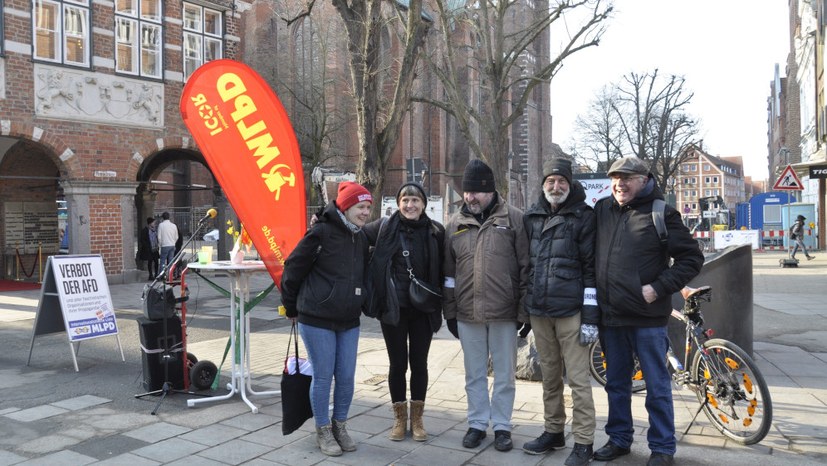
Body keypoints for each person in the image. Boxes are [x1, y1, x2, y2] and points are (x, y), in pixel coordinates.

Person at [592, 156, 704, 466]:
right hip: (611, 317)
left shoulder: (662, 213)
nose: (620, 183)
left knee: (656, 385)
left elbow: (692, 260)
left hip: (647, 319)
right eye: (615, 177)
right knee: (616, 383)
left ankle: (662, 447)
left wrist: (658, 288)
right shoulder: (603, 209)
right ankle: (619, 438)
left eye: (627, 177)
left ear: (644, 179)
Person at [443, 159, 530, 452]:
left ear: (490, 191)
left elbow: (525, 267)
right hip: (468, 313)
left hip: (504, 312)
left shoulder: (515, 219)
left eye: (477, 192)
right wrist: (450, 312)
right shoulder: (454, 224)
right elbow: (448, 275)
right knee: (474, 374)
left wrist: (523, 312)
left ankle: (502, 426)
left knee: (505, 374)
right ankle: (477, 423)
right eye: (467, 192)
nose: (470, 198)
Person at [280, 181, 372, 457]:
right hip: (316, 317)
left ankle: (339, 426)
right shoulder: (321, 232)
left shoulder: (362, 237)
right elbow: (293, 268)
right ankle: (322, 430)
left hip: (348, 319)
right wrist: (290, 307)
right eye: (360, 207)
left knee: (346, 377)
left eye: (369, 207)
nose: (366, 212)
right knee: (323, 377)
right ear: (346, 207)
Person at [522, 158, 598, 466]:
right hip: (540, 311)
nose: (556, 186)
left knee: (578, 380)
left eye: (561, 181)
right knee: (550, 376)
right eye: (551, 181)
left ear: (570, 184)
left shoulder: (584, 216)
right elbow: (527, 264)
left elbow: (590, 267)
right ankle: (553, 430)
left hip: (570, 311)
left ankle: (584, 441)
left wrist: (591, 316)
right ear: (543, 185)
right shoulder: (532, 216)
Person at [363, 182, 445, 442]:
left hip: (423, 309)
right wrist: (325, 219)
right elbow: (353, 234)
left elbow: (444, 268)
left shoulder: (435, 231)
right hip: (393, 309)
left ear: (424, 204)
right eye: (405, 200)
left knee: (419, 364)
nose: (410, 205)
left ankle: (418, 419)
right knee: (397, 364)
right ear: (397, 204)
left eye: (415, 200)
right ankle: (399, 419)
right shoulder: (383, 227)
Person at [156, 212, 178, 278]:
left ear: (163, 217)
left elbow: (159, 237)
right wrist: (173, 242)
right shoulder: (174, 225)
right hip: (172, 245)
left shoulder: (161, 225)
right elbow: (176, 236)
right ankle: (170, 275)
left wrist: (160, 245)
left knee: (162, 261)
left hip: (164, 245)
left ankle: (162, 275)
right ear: (169, 217)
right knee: (171, 261)